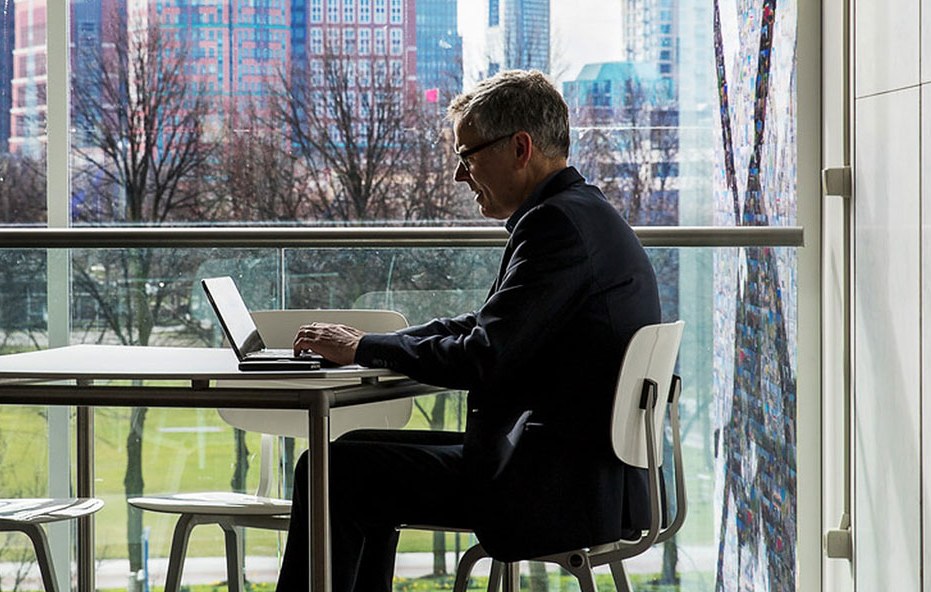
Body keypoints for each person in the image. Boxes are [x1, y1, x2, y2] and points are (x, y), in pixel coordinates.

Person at [275, 69, 661, 592]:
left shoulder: (555, 226)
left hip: (554, 490)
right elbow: (487, 326)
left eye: (467, 155)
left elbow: (484, 356)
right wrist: (368, 344)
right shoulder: (582, 215)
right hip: (590, 478)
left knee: (332, 470)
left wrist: (363, 347)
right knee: (353, 451)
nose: (460, 175)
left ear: (520, 148)